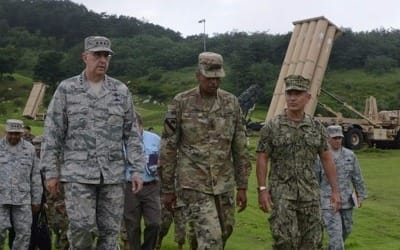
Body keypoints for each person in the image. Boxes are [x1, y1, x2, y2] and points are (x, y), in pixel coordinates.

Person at [40, 35, 146, 249]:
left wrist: (137, 169)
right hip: (78, 174)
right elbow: (53, 133)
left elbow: (132, 134)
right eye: (97, 55)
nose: (102, 60)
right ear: (85, 57)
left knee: (110, 232)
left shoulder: (120, 91)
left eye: (106, 55)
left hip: (112, 175)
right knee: (82, 227)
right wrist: (51, 172)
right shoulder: (67, 89)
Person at [159, 51, 252, 250]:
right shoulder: (181, 102)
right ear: (198, 75)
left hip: (223, 182)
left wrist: (242, 185)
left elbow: (240, 146)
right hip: (193, 182)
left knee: (225, 230)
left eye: (218, 78)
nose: (214, 82)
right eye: (210, 78)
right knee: (212, 238)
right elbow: (168, 147)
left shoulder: (231, 103)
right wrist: (167, 188)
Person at [256, 74, 341, 250]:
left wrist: (335, 190)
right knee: (285, 241)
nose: (293, 98)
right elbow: (262, 157)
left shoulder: (316, 127)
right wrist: (262, 189)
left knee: (313, 241)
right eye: (289, 93)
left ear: (308, 97)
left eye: (298, 93)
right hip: (282, 194)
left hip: (310, 194)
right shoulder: (272, 127)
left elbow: (326, 158)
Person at [315, 125, 367, 250]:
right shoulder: (320, 158)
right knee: (336, 235)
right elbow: (315, 180)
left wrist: (360, 195)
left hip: (346, 201)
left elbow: (357, 176)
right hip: (329, 202)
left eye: (339, 138)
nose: (338, 140)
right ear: (328, 138)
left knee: (347, 229)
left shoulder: (350, 155)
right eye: (335, 138)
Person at [0, 119, 42, 249]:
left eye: (17, 133)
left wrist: (36, 200)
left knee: (24, 233)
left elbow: (35, 175)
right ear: (6, 132)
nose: (13, 136)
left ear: (22, 133)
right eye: (11, 133)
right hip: (1, 197)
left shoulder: (29, 149)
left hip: (23, 198)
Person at [123, 112, 161, 250]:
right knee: (132, 225)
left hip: (151, 186)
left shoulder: (155, 139)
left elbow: (163, 159)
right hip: (129, 187)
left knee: (154, 223)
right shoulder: (122, 141)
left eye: (135, 127)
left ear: (141, 125)